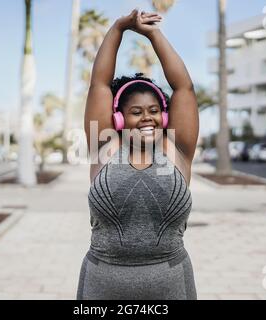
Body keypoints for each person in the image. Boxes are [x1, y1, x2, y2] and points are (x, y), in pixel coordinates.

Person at [78, 8, 199, 300]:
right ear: (118, 119)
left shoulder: (176, 149)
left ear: (165, 116)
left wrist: (153, 34)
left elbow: (184, 87)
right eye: (136, 112)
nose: (148, 118)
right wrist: (119, 28)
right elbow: (99, 85)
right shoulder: (105, 145)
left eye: (154, 111)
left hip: (171, 285)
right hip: (103, 285)